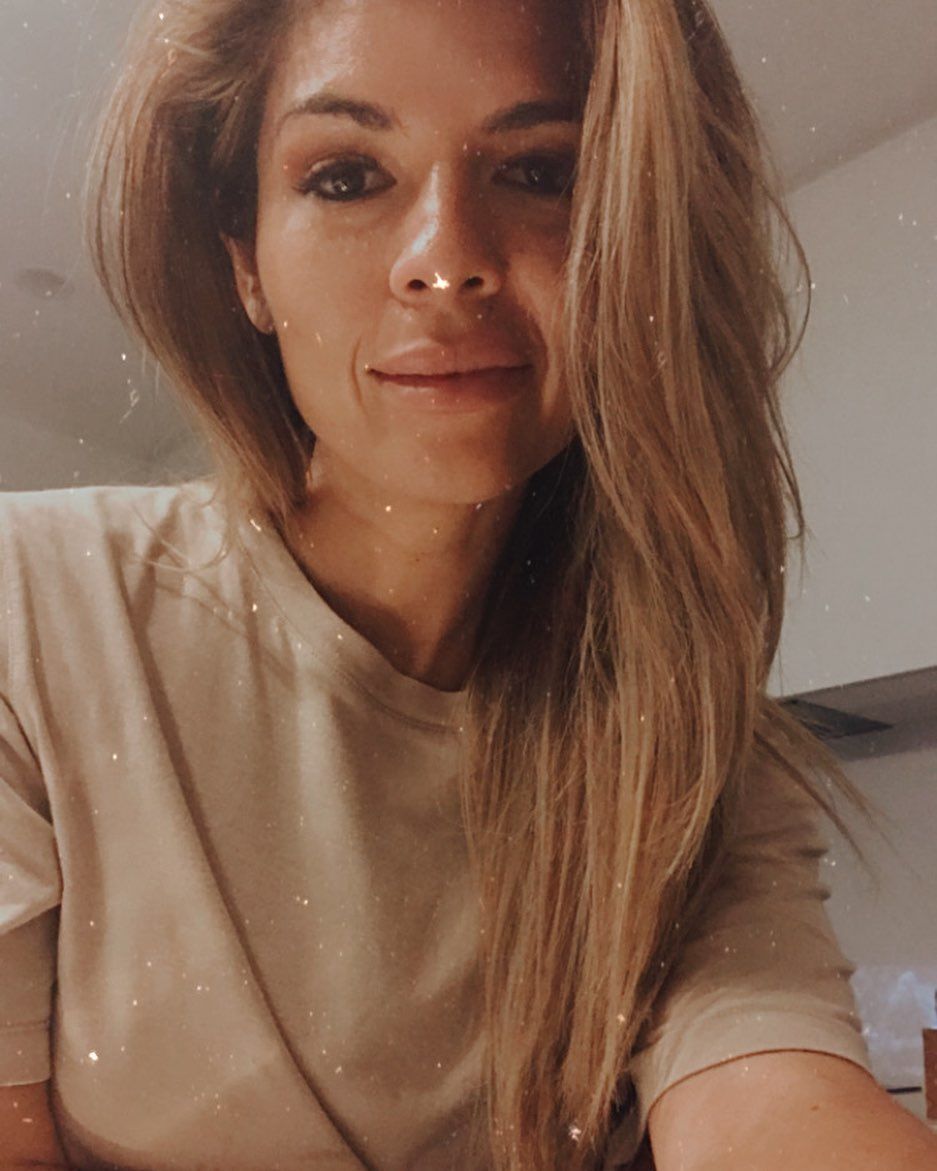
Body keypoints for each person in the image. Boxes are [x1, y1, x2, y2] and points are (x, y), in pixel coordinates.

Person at [1, 0, 935, 1169]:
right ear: (245, 263)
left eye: (538, 172)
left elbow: (769, 1104)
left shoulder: (690, 737)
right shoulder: (29, 610)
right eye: (347, 177)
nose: (445, 261)